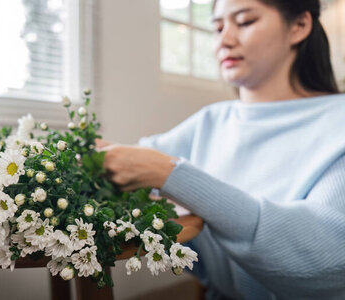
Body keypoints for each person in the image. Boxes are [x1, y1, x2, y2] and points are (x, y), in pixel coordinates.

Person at [99, 0, 345, 299]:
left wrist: (171, 175)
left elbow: (328, 257)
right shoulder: (210, 121)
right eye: (217, 28)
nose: (224, 40)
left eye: (244, 22)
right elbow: (129, 160)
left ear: (299, 26)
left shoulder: (338, 123)